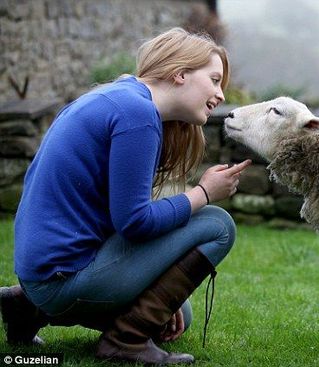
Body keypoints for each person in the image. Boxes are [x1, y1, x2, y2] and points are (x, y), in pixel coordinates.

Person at [0, 27, 251, 365]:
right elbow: (134, 223)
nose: (221, 94)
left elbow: (113, 215)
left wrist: (161, 279)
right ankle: (124, 342)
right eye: (214, 79)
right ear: (179, 74)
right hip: (63, 278)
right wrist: (204, 193)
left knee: (176, 317)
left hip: (44, 275)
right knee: (219, 224)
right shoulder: (137, 115)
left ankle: (23, 307)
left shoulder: (120, 99)